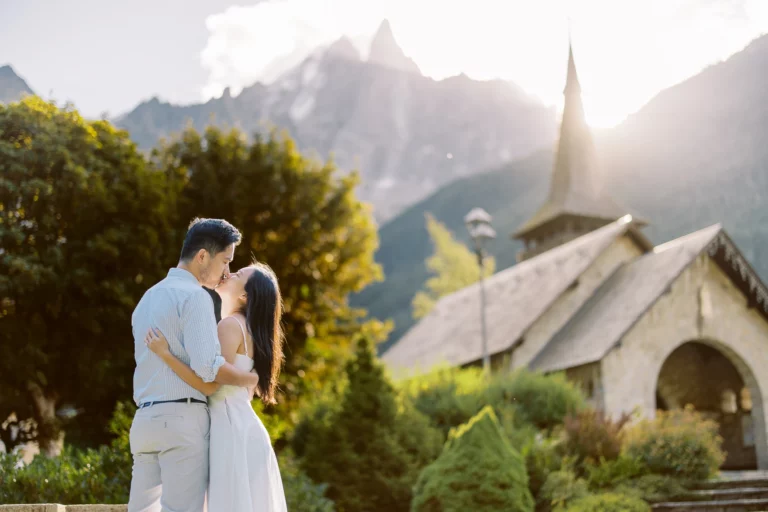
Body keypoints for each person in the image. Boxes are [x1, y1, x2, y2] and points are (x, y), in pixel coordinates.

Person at [129, 218, 261, 512]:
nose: (226, 271)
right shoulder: (196, 297)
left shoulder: (146, 300)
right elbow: (209, 368)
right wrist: (249, 379)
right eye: (225, 261)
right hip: (182, 421)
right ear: (203, 255)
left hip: (143, 424)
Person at [145, 262, 287, 512]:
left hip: (229, 427)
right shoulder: (250, 329)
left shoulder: (230, 325)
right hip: (243, 427)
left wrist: (165, 354)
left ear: (244, 296)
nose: (229, 273)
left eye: (238, 274)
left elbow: (209, 381)